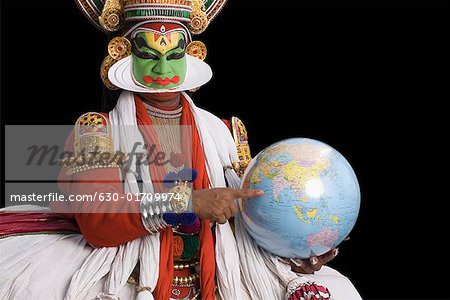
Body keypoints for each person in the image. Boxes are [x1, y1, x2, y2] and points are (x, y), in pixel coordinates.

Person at [0, 0, 361, 299]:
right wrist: (189, 203)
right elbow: (98, 224)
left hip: (223, 275)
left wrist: (299, 252)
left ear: (192, 55)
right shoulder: (96, 131)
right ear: (123, 51)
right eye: (149, 53)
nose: (162, 68)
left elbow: (256, 221)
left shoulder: (224, 132)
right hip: (131, 277)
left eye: (173, 55)